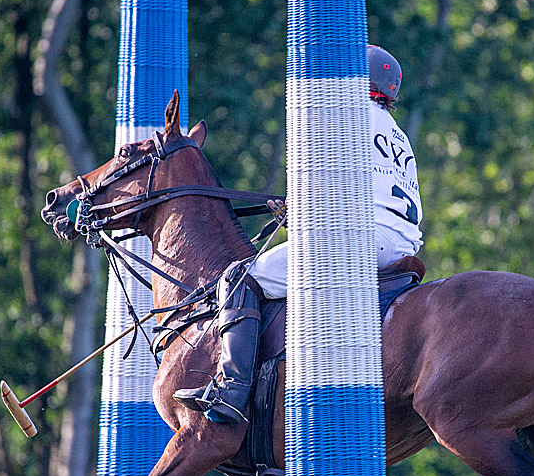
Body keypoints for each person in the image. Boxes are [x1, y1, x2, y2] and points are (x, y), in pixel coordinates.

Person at [174, 44, 423, 424]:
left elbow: (325, 188)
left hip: (359, 240)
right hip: (399, 244)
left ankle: (231, 391)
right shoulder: (398, 135)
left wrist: (298, 206)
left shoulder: (349, 118)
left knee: (240, 277)